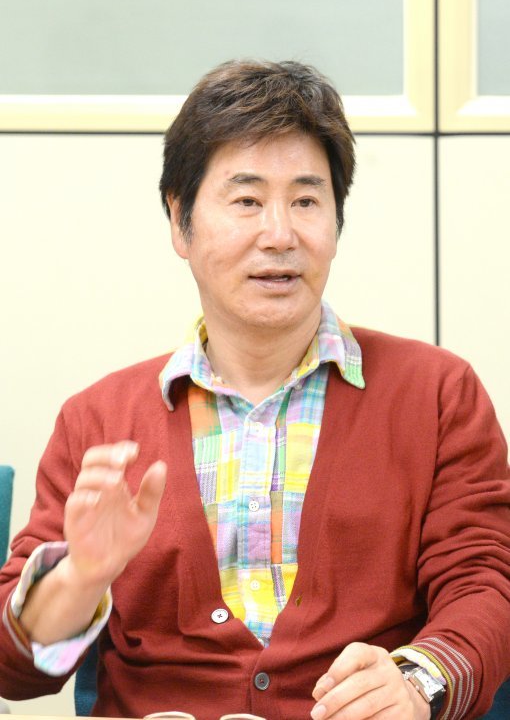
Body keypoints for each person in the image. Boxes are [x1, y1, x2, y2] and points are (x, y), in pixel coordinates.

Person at [0, 60, 509, 720]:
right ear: (180, 220)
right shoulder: (98, 420)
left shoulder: (437, 395)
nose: (280, 235)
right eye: (246, 201)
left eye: (306, 201)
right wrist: (81, 576)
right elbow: (14, 671)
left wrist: (418, 682)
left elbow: (485, 584)